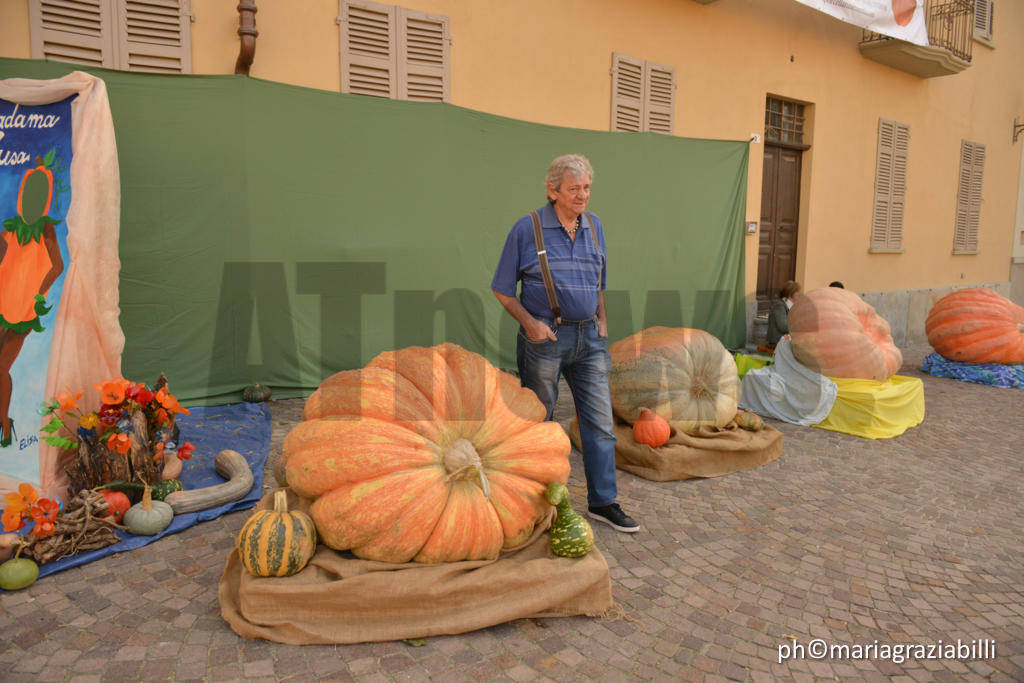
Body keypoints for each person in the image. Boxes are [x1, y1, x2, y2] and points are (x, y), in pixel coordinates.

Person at [491, 154, 639, 533]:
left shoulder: (595, 225)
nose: (583, 196)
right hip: (545, 339)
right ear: (552, 189)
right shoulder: (528, 229)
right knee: (539, 423)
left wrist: (603, 320)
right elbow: (503, 290)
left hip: (590, 339)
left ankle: (603, 502)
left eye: (587, 188)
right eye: (574, 189)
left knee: (601, 424)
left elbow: (598, 280)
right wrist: (531, 325)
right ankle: (537, 505)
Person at [766, 280, 801, 347]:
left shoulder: (791, 306)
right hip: (777, 341)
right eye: (797, 292)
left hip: (786, 339)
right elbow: (783, 326)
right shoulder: (779, 306)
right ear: (791, 293)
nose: (799, 294)